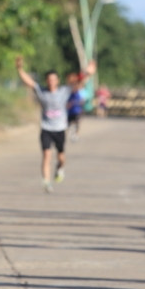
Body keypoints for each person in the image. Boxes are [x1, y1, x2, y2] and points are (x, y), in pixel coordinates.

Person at [15, 56, 94, 193]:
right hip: (46, 128)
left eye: (53, 79)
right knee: (46, 155)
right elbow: (29, 82)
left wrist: (88, 73)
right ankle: (46, 181)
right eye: (49, 79)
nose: (51, 82)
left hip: (59, 129)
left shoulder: (64, 91)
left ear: (57, 81)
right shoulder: (41, 91)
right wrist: (19, 69)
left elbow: (79, 83)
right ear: (47, 81)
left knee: (61, 158)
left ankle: (60, 168)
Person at [66, 73, 86, 141]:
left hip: (77, 110)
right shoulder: (67, 89)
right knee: (69, 123)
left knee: (77, 122)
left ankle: (76, 134)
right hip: (70, 110)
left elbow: (82, 101)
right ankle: (72, 133)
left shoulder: (78, 89)